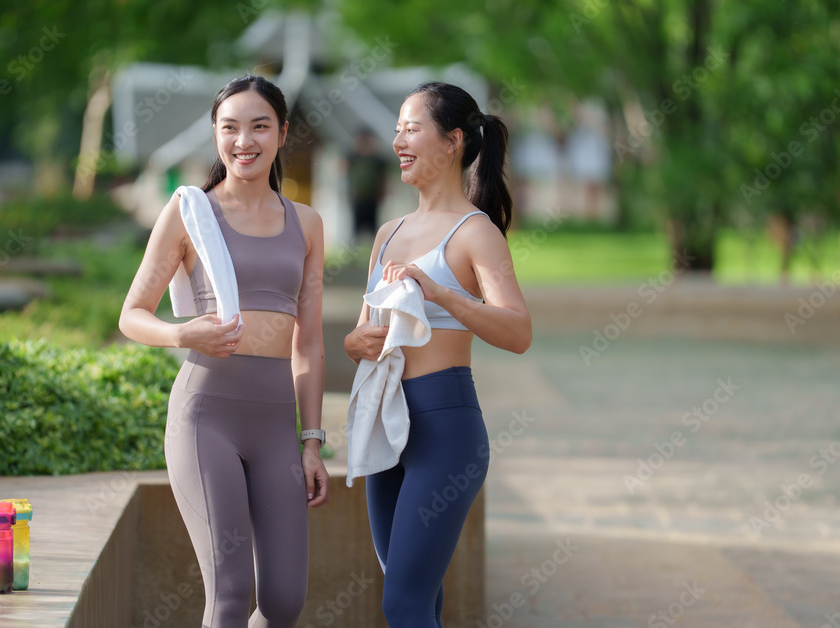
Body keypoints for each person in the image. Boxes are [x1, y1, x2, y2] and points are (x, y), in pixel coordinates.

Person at [119, 74, 329, 628]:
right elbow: (131, 315)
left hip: (277, 421)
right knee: (231, 596)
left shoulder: (307, 224)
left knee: (283, 601)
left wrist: (312, 441)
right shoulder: (190, 213)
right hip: (205, 415)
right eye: (230, 127)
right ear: (214, 135)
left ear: (282, 134)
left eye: (260, 126)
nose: (244, 141)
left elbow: (308, 342)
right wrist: (181, 334)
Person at [343, 82, 532, 627]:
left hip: (444, 428)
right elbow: (361, 334)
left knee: (401, 604)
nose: (398, 139)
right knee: (417, 597)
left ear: (452, 141)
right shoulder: (387, 233)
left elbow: (518, 332)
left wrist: (443, 293)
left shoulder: (477, 233)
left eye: (411, 127)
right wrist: (356, 344)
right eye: (398, 128)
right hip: (384, 420)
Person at [345, 128, 388, 242]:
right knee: (356, 227)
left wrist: (382, 193)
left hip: (373, 198)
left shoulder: (378, 160)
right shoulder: (353, 157)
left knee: (373, 226)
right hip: (358, 198)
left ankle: (374, 248)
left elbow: (383, 179)